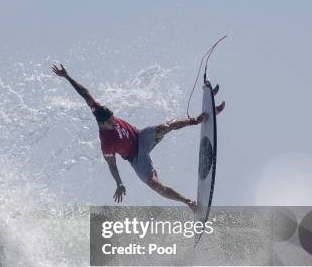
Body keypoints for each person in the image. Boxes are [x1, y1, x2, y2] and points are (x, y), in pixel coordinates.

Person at [52, 64, 225, 210]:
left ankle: (198, 119)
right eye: (111, 123)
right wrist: (119, 183)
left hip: (142, 137)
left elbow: (84, 93)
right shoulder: (107, 143)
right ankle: (189, 203)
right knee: (155, 185)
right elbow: (112, 165)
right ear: (102, 124)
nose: (114, 122)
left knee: (165, 127)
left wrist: (67, 77)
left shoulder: (98, 109)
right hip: (136, 158)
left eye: (114, 118)